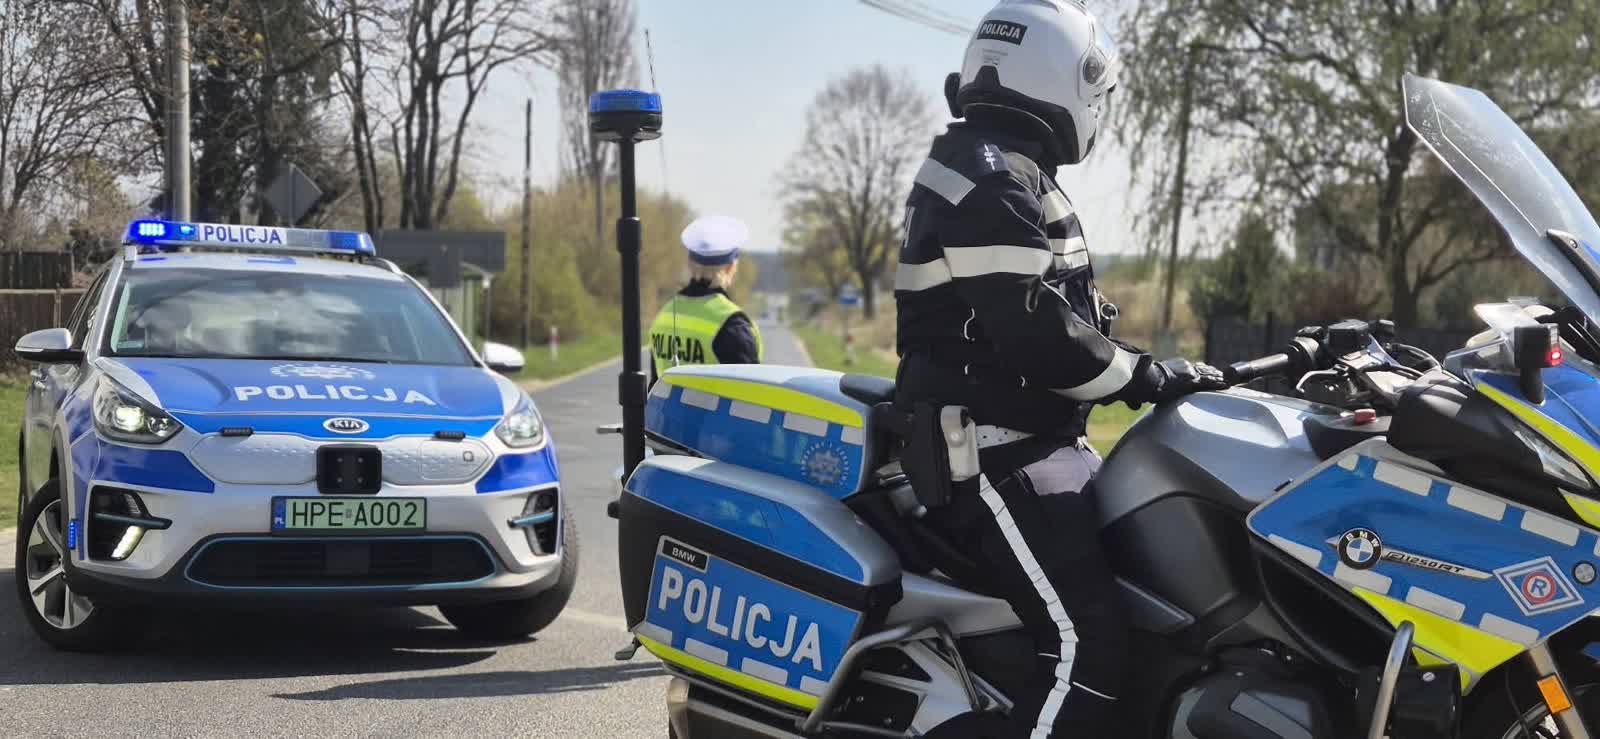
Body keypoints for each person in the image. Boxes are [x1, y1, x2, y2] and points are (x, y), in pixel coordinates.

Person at [893, 1, 1226, 736]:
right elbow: (1034, 333)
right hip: (991, 453)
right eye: (1094, 88)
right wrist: (1144, 376)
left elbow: (1065, 314)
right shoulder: (988, 177)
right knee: (1089, 644)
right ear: (1057, 78)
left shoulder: (1005, 167)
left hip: (1030, 443)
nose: (1099, 110)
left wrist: (1160, 370)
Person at [648, 215, 763, 384]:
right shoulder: (732, 324)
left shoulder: (663, 316)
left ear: (689, 264)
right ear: (731, 267)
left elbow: (655, 386)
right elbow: (753, 396)